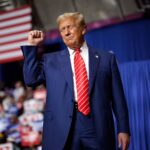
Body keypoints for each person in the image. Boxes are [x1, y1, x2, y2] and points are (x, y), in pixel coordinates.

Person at [21, 12, 130, 150]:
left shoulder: (106, 59)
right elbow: (31, 80)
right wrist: (31, 47)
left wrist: (124, 128)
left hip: (97, 128)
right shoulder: (50, 60)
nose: (66, 32)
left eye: (70, 27)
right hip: (62, 129)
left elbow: (118, 97)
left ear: (83, 29)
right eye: (62, 29)